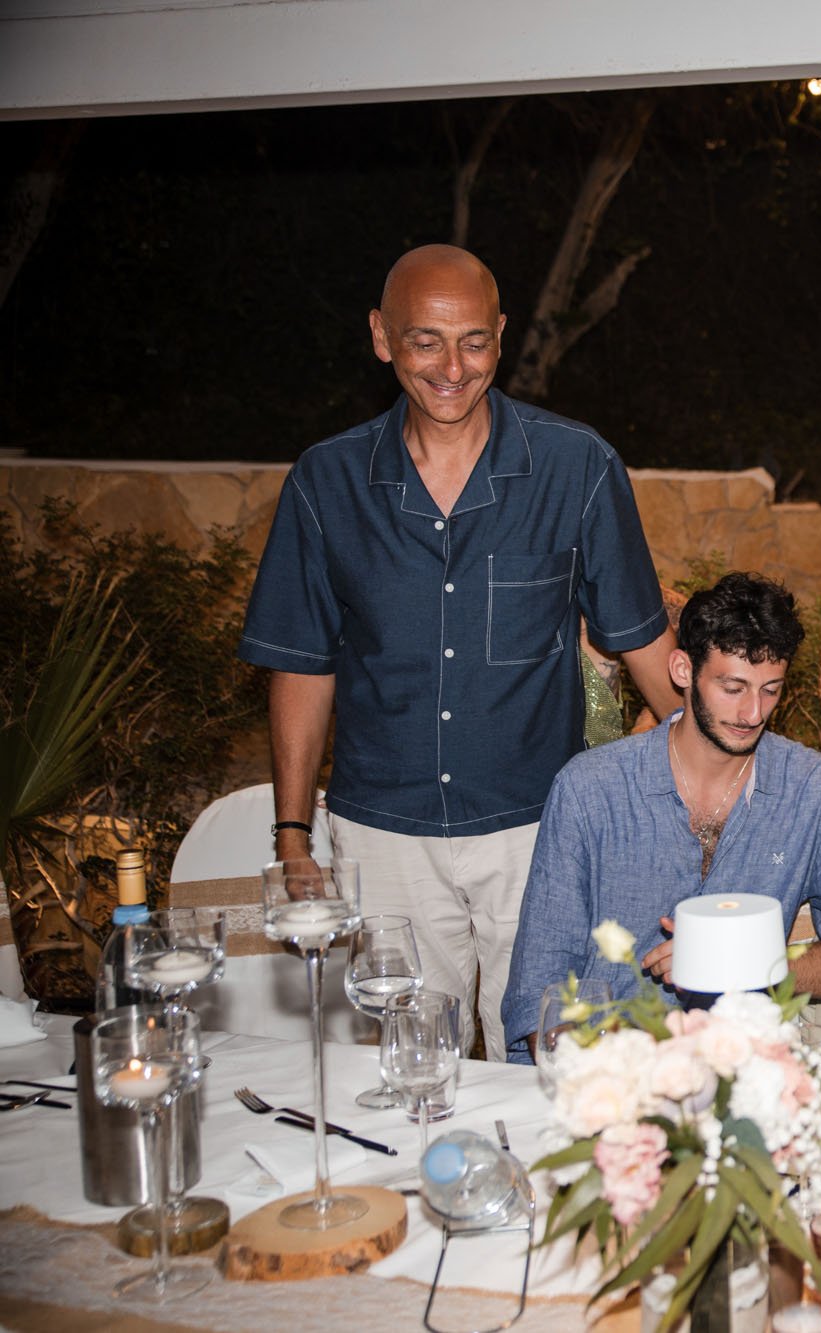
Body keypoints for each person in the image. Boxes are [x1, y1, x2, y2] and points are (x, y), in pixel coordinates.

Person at [237, 244, 679, 1057]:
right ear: (381, 336)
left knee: (554, 1060)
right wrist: (293, 835)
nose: (452, 366)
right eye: (425, 341)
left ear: (502, 336)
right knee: (412, 1068)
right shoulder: (324, 482)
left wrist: (702, 781)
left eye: (474, 341)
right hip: (384, 835)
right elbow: (303, 661)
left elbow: (644, 641)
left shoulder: (577, 466)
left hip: (539, 829)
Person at [500, 572, 821, 1061]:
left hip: (747, 1079)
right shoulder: (591, 790)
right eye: (732, 687)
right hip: (609, 1071)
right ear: (683, 670)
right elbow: (539, 989)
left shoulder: (816, 790)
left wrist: (747, 964)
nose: (752, 712)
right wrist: (596, 1065)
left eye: (771, 690)